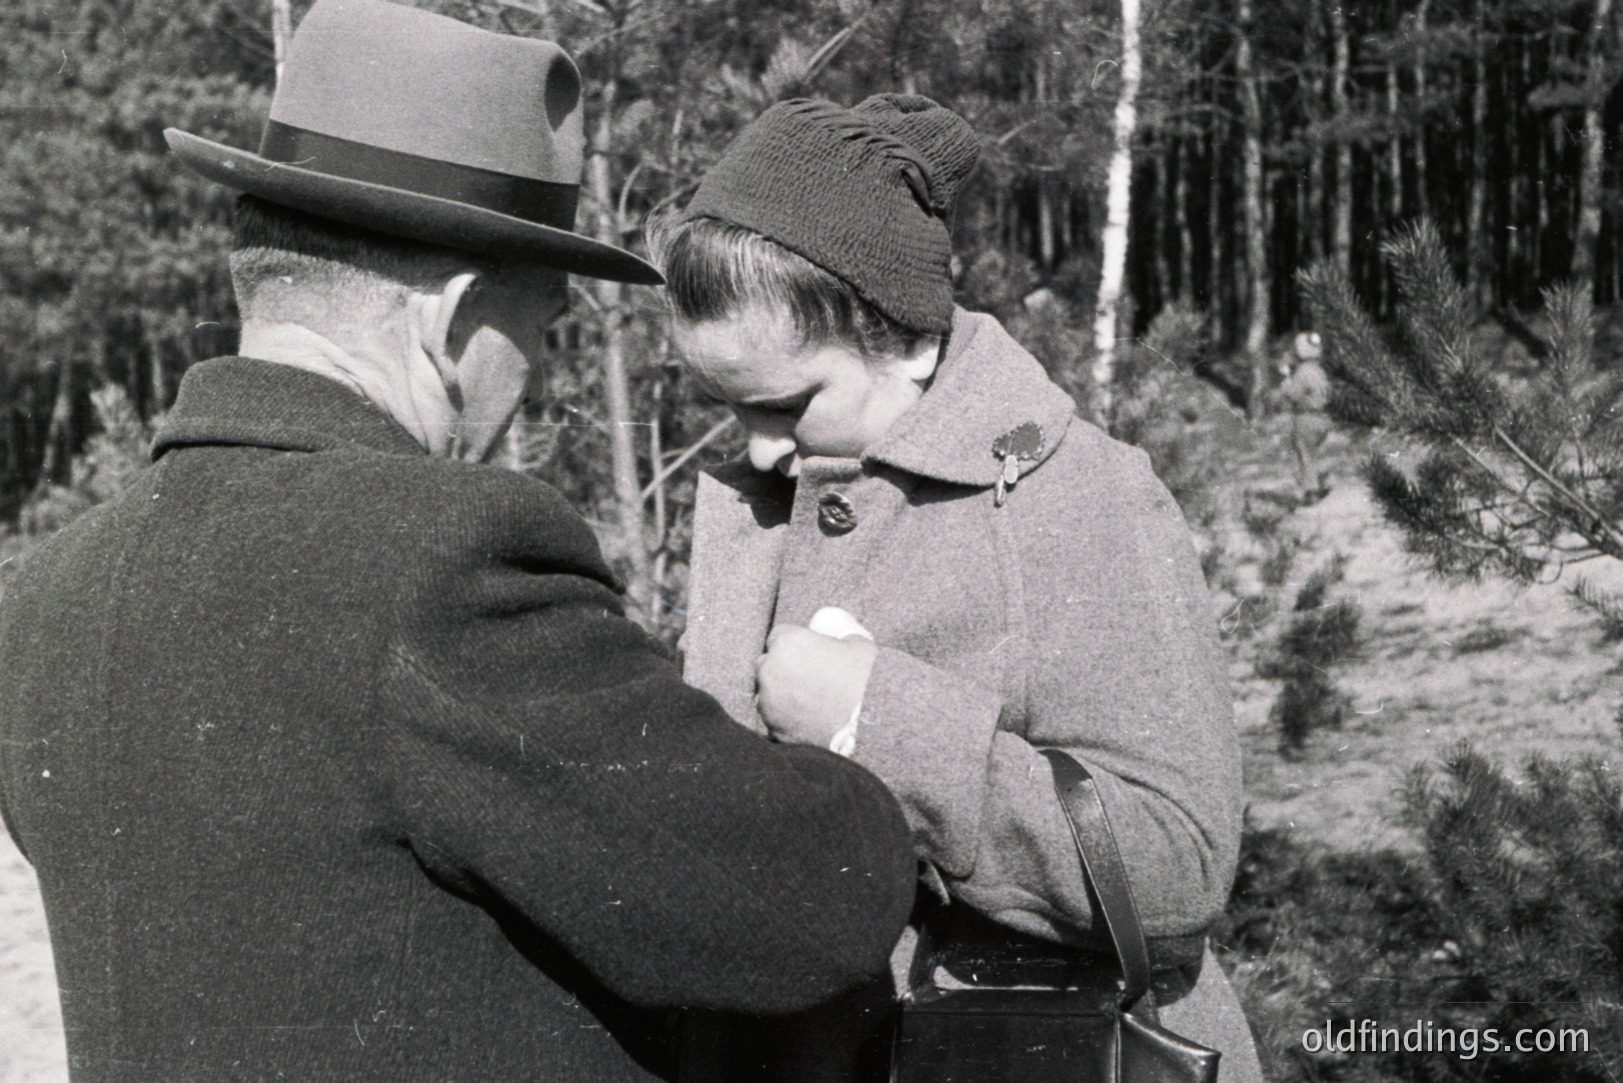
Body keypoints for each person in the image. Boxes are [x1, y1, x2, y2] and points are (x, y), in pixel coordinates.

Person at [0, 4, 919, 1080]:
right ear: (452, 321)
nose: (532, 369)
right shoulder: (439, 564)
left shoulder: (42, 599)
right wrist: (860, 717)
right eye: (539, 327)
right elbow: (810, 902)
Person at [660, 95, 1264, 1080]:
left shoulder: (1080, 493)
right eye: (725, 407)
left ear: (901, 334)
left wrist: (873, 721)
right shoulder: (764, 491)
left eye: (788, 404)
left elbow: (1176, 863)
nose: (757, 446)